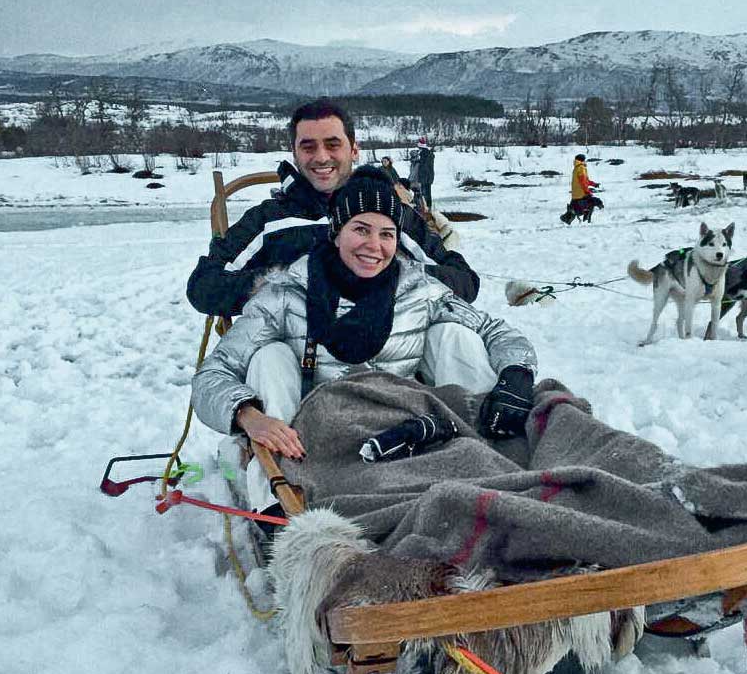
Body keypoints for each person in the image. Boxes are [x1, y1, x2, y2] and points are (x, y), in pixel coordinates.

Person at [192, 166, 536, 511]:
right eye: (361, 229)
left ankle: (497, 458)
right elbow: (213, 375)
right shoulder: (285, 294)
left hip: (404, 431)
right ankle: (277, 502)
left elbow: (496, 331)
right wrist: (249, 416)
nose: (375, 245)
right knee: (269, 357)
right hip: (316, 442)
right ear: (336, 232)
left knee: (454, 335)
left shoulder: (419, 289)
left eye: (387, 234)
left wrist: (516, 376)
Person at [186, 101, 478, 317]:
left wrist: (387, 276)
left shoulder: (388, 212)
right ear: (295, 153)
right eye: (308, 146)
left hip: (393, 351)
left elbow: (464, 281)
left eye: (333, 144)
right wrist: (291, 280)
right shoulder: (270, 219)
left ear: (353, 150)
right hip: (294, 354)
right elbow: (204, 286)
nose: (321, 157)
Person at [560, 153, 601, 224]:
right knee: (593, 202)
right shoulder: (581, 168)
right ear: (583, 160)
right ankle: (587, 220)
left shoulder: (576, 168)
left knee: (576, 207)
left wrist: (594, 184)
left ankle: (568, 217)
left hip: (575, 194)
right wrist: (587, 192)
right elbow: (583, 182)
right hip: (581, 193)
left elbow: (585, 180)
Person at [408, 136, 435, 209]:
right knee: (425, 193)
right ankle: (426, 207)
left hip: (424, 178)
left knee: (424, 194)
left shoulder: (425, 154)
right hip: (426, 177)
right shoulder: (426, 154)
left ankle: (426, 207)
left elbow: (424, 167)